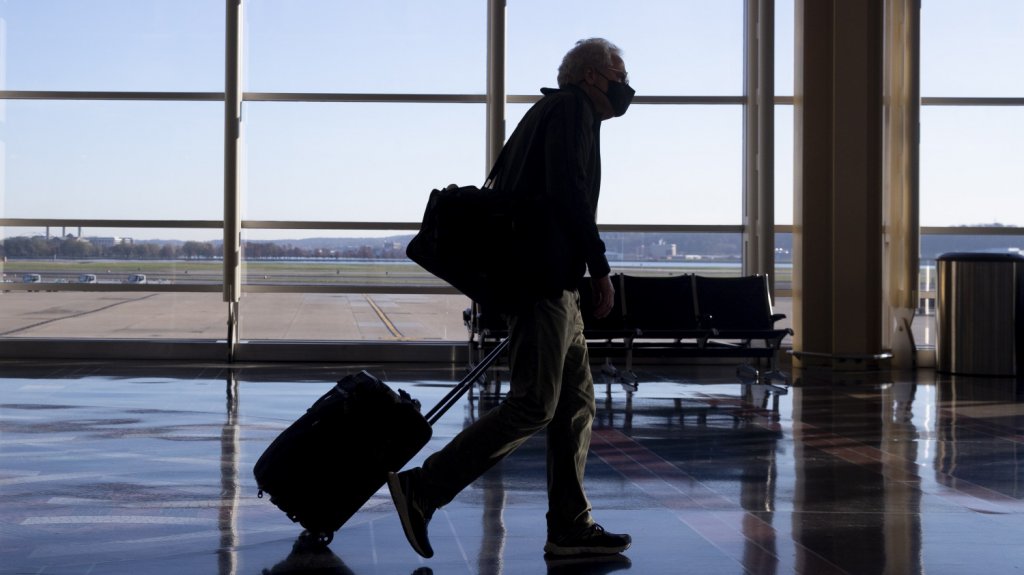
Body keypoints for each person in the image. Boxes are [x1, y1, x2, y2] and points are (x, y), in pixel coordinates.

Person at [389, 37, 634, 559]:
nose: (626, 85)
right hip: (543, 283)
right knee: (535, 403)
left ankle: (570, 526)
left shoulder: (555, 113)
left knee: (575, 406)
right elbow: (569, 195)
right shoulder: (570, 110)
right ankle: (424, 488)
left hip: (555, 284)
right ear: (592, 76)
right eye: (619, 74)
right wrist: (600, 268)